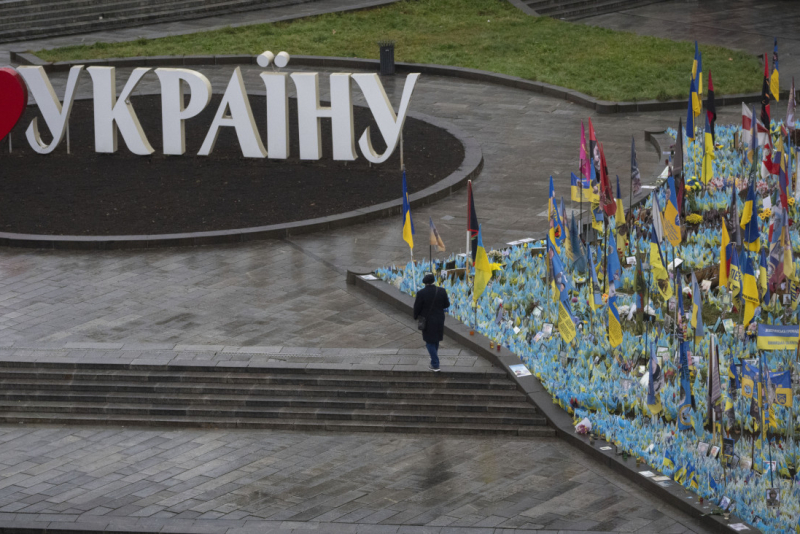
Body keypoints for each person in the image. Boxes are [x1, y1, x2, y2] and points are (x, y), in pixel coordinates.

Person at [413, 273, 450, 372]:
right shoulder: (441, 291)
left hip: (428, 320)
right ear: (434, 281)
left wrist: (415, 316)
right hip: (439, 319)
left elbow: (417, 307)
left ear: (425, 283)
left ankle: (435, 364)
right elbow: (447, 304)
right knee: (436, 339)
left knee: (429, 341)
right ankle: (434, 356)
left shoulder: (421, 293)